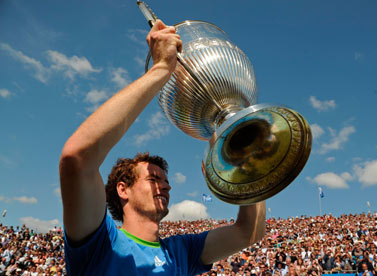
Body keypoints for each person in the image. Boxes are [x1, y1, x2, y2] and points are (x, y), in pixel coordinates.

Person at [59, 20, 266, 275]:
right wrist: (160, 70)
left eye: (166, 181)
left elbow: (250, 231)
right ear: (123, 190)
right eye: (154, 178)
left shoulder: (182, 251)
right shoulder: (102, 242)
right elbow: (77, 160)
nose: (166, 186)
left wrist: (247, 160)